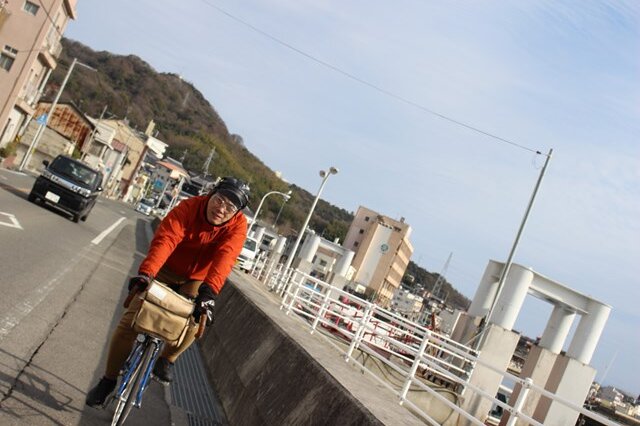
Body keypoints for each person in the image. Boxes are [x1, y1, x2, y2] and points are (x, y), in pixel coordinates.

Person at [86, 177, 250, 408]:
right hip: (165, 268)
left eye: (230, 207)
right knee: (129, 324)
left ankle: (167, 359)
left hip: (196, 279)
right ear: (211, 194)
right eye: (219, 200)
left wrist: (209, 293)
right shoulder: (189, 207)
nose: (221, 209)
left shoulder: (238, 226)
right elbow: (167, 239)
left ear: (237, 213)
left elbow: (226, 257)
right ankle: (108, 380)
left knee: (196, 320)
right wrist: (147, 273)